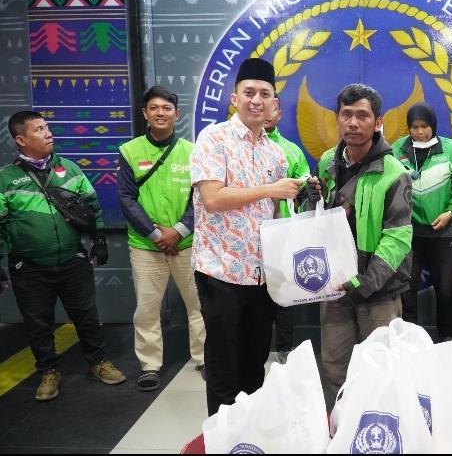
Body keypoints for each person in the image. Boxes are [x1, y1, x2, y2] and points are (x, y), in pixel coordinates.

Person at [190, 58, 303, 416]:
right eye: (249, 92)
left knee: (255, 363)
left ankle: (250, 432)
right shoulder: (213, 139)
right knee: (223, 363)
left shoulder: (275, 152)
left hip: (261, 275)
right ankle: (223, 436)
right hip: (220, 271)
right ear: (234, 98)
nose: (256, 100)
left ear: (274, 103)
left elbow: (274, 212)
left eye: (264, 94)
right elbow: (213, 199)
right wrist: (271, 188)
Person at [0, 111, 127, 401]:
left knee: (87, 316)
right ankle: (48, 371)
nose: (48, 133)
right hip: (29, 266)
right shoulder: (6, 179)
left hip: (73, 260)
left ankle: (97, 363)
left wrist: (99, 240)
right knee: (38, 324)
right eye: (39, 129)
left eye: (47, 127)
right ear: (21, 139)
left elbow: (92, 207)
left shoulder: (69, 169)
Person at [304, 83, 413, 394]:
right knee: (335, 363)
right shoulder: (327, 162)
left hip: (377, 291)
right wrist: (310, 199)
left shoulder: (394, 172)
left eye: (362, 116)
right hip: (335, 285)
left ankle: (378, 421)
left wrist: (364, 283)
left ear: (378, 122)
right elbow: (314, 221)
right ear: (337, 119)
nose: (353, 122)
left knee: (380, 370)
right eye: (346, 114)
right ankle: (343, 417)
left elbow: (397, 239)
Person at [118, 85, 206, 392]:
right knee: (146, 310)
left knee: (199, 306)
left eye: (166, 108)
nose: (160, 113)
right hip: (146, 246)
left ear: (176, 114)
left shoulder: (193, 151)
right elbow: (126, 198)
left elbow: (202, 198)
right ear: (145, 113)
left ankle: (204, 358)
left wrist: (178, 231)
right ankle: (150, 366)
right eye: (154, 108)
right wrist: (157, 235)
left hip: (187, 243)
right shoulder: (129, 151)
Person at [391, 102, 452, 341]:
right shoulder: (397, 149)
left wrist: (451, 211)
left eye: (425, 126)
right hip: (408, 233)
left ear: (433, 125)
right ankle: (409, 341)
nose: (420, 132)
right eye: (414, 127)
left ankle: (448, 339)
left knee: (446, 291)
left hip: (444, 232)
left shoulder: (451, 149)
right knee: (406, 290)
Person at [262, 92, 311, 364]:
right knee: (251, 296)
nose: (267, 113)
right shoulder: (236, 148)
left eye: (273, 109)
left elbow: (304, 187)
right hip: (247, 236)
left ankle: (284, 348)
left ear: (279, 114)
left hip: (283, 234)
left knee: (284, 294)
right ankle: (253, 348)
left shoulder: (291, 150)